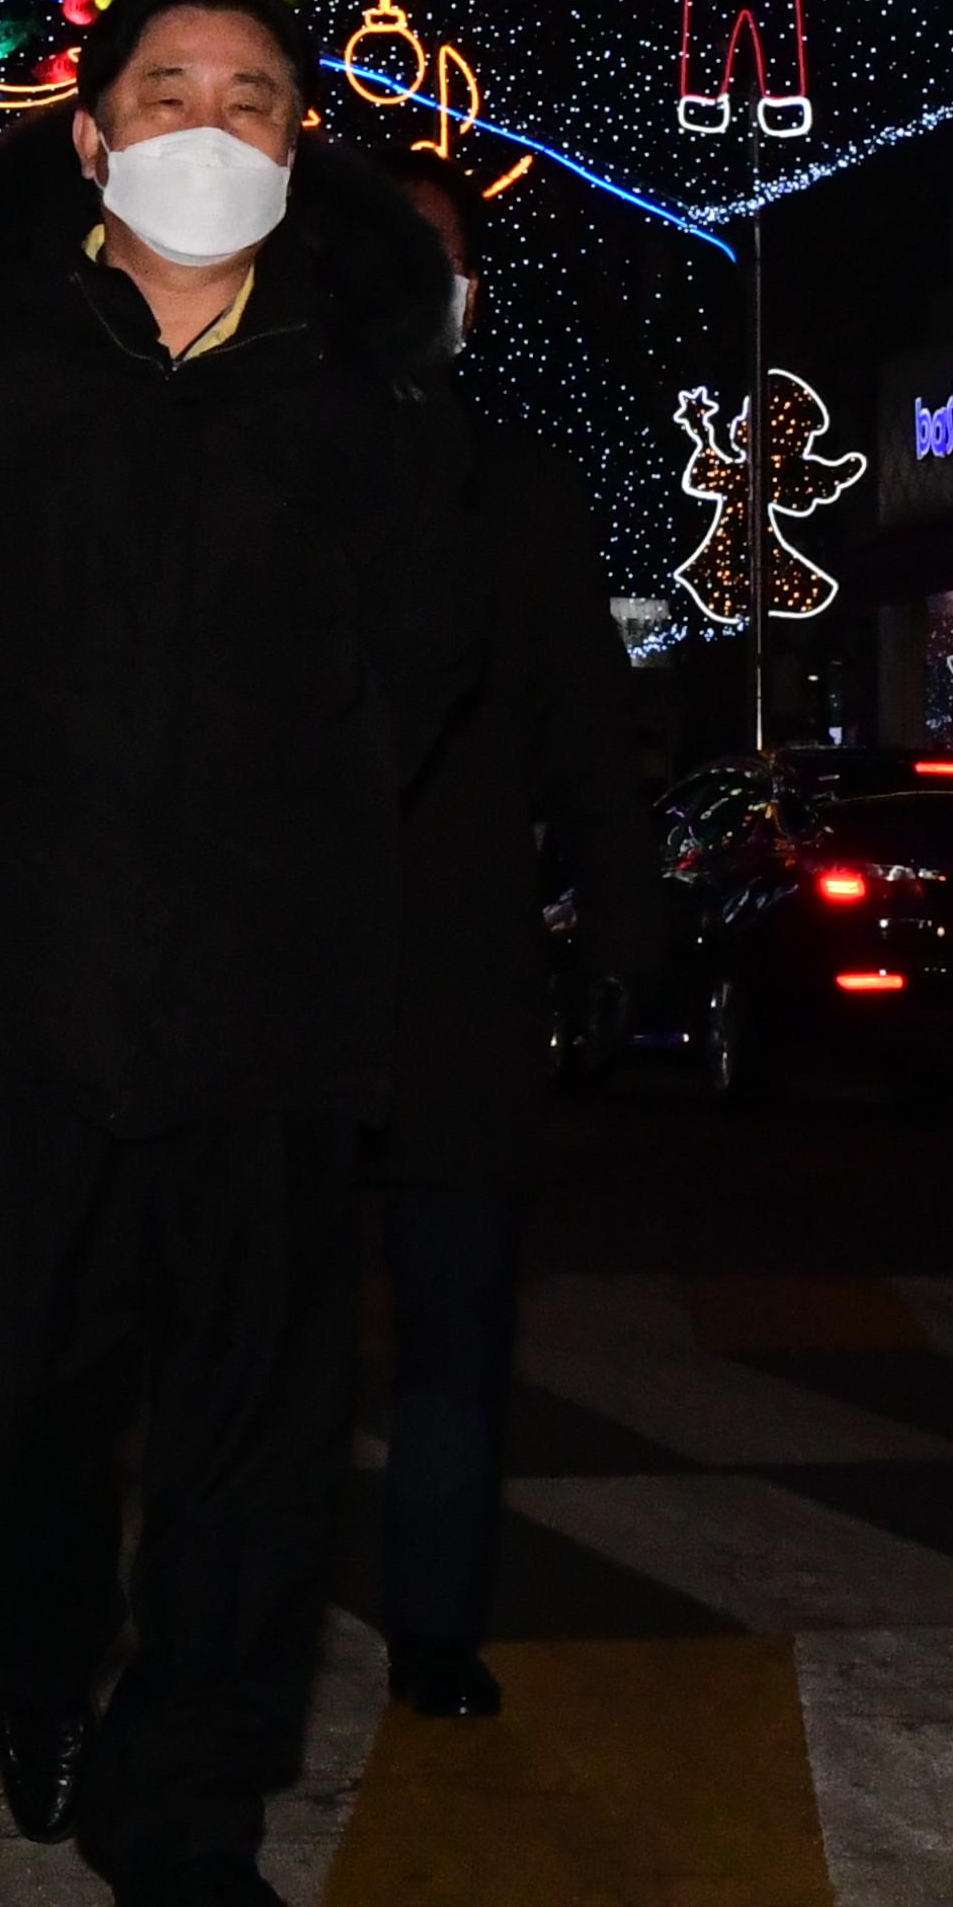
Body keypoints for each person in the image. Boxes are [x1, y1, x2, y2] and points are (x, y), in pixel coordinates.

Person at [0, 0, 471, 1907]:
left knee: (259, 1429)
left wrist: (296, 821)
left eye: (252, 95)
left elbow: (422, 657)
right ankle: (49, 1657)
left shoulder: (364, 396)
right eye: (167, 86)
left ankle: (192, 1803)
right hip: (6, 982)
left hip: (271, 991)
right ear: (86, 130)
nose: (207, 122)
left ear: (292, 142)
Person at [373, 151, 655, 1723]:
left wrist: (621, 926)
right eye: (388, 250)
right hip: (264, 977)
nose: (422, 278)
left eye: (445, 252)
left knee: (457, 1337)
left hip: (466, 977)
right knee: (234, 1339)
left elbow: (589, 741)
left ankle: (433, 1624)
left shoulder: (522, 493)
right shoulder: (246, 467)